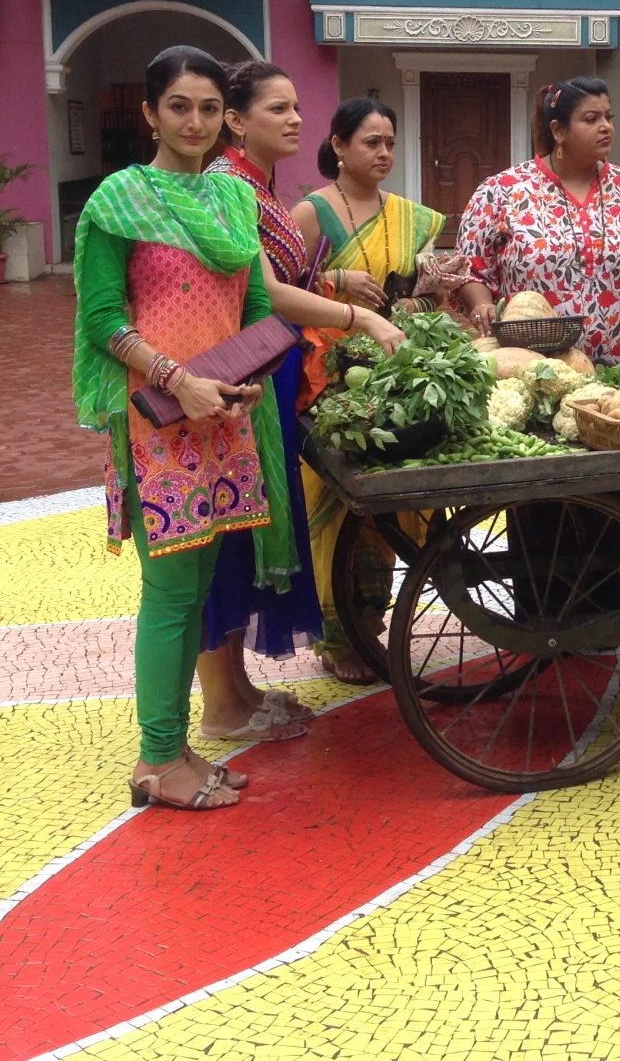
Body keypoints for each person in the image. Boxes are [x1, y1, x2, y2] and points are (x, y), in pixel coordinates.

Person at [71, 45, 299, 812]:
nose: (195, 122)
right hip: (159, 421)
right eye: (179, 107)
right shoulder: (118, 201)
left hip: (227, 416)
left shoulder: (233, 200)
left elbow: (258, 310)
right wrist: (180, 381)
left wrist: (243, 381)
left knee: (199, 584)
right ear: (149, 113)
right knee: (170, 590)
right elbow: (104, 319)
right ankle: (157, 759)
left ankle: (177, 748)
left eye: (207, 108)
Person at [195, 63, 406, 738]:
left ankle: (240, 689)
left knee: (247, 528)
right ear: (236, 120)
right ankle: (222, 705)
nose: (294, 120)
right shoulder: (229, 186)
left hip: (267, 376)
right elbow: (265, 294)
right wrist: (360, 318)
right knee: (227, 537)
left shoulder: (258, 186)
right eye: (277, 108)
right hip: (239, 379)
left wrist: (334, 275)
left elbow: (276, 274)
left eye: (296, 107)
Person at [291, 96, 456, 685]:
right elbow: (271, 286)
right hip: (332, 380)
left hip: (396, 369)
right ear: (338, 146)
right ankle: (339, 634)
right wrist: (334, 281)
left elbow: (415, 291)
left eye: (389, 142)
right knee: (336, 505)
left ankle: (373, 622)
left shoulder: (408, 215)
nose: (383, 152)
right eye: (370, 142)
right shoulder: (310, 214)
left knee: (393, 504)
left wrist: (426, 293)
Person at [456, 77, 620, 364]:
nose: (606, 127)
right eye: (591, 119)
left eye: (608, 117)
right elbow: (468, 269)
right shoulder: (501, 192)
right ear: (558, 131)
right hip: (535, 374)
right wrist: (482, 304)